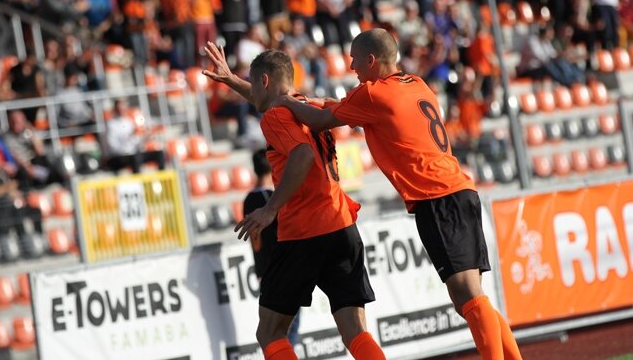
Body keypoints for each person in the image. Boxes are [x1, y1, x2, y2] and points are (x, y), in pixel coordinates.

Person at [271, 29, 522, 360]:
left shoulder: (373, 94)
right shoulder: (416, 83)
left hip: (436, 197)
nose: (351, 66)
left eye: (355, 60)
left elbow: (319, 120)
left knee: (468, 297)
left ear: (371, 60)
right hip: (460, 191)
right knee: (473, 298)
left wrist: (286, 100)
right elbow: (341, 108)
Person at [203, 42, 385, 360]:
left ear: (264, 81)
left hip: (304, 231)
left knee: (270, 333)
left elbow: (301, 155)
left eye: (253, 83)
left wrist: (270, 209)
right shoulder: (312, 106)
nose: (252, 92)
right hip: (342, 224)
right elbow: (268, 101)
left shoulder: (275, 116)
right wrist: (232, 80)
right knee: (355, 331)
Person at [243, 149, 300, 347]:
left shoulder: (248, 200)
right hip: (283, 267)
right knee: (289, 328)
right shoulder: (272, 199)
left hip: (264, 269)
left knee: (274, 328)